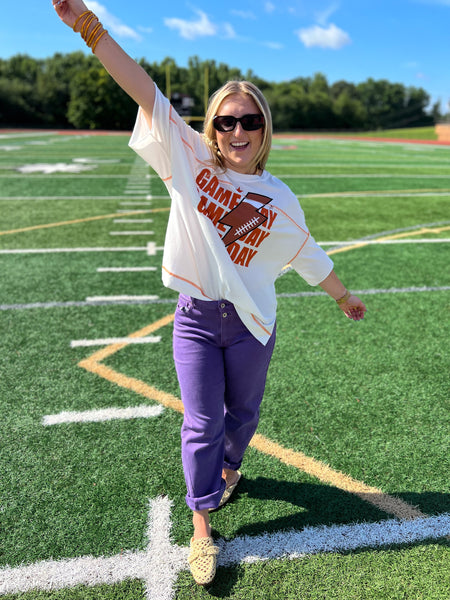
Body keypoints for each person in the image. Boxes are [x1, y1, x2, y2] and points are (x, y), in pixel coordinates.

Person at [53, 0, 367, 586]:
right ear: (212, 130)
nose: (238, 131)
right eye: (227, 121)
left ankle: (229, 468)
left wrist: (342, 295)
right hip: (197, 319)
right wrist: (88, 28)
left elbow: (309, 255)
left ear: (264, 128)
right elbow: (144, 90)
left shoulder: (280, 198)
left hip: (252, 326)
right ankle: (202, 525)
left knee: (241, 416)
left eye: (249, 121)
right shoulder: (190, 160)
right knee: (201, 421)